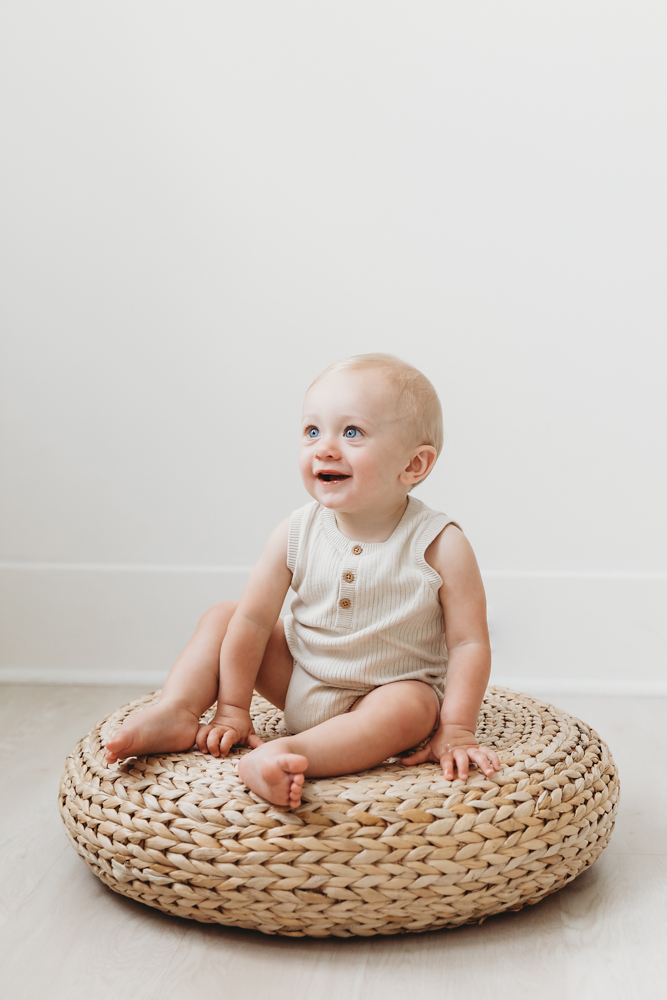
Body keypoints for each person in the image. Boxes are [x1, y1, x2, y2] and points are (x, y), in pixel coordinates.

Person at [105, 353, 501, 808]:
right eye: (313, 431)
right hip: (300, 677)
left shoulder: (439, 543)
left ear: (414, 465)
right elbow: (254, 623)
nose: (325, 448)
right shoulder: (296, 531)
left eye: (352, 433)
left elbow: (469, 643)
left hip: (380, 698)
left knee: (414, 707)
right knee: (225, 616)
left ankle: (289, 753)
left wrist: (456, 730)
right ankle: (176, 711)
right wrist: (234, 708)